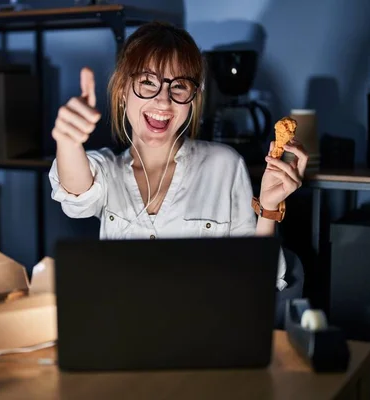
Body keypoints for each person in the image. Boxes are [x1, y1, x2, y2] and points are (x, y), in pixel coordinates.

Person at [48, 21, 308, 291]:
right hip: (125, 329)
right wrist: (67, 141)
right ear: (124, 91)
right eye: (148, 82)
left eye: (179, 86)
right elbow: (76, 192)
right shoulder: (107, 171)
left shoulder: (224, 165)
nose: (164, 100)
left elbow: (258, 283)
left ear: (193, 99)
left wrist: (268, 207)